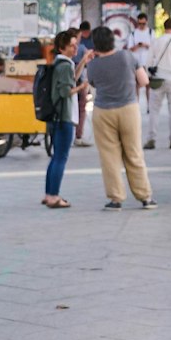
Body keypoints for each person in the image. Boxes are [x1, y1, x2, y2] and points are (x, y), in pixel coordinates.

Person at [83, 26, 155, 209]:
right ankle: (145, 197)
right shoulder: (126, 56)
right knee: (134, 153)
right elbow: (144, 81)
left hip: (103, 112)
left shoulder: (92, 65)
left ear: (95, 44)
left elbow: (92, 83)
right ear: (113, 40)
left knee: (109, 157)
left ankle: (116, 198)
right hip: (128, 109)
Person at [41, 30, 85, 209]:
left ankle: (48, 194)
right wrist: (82, 87)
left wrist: (83, 62)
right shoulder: (65, 66)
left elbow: (70, 80)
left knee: (55, 157)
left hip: (55, 116)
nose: (75, 49)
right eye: (72, 46)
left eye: (76, 45)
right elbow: (66, 91)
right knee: (61, 157)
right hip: (64, 116)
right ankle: (54, 196)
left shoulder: (60, 63)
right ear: (62, 47)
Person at [144, 16, 171, 150]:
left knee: (154, 111)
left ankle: (151, 139)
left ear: (164, 27)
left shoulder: (156, 42)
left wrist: (150, 76)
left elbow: (148, 62)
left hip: (157, 80)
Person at [73, 21, 94, 147]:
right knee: (81, 108)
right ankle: (78, 135)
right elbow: (90, 58)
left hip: (77, 79)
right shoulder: (80, 48)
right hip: (79, 79)